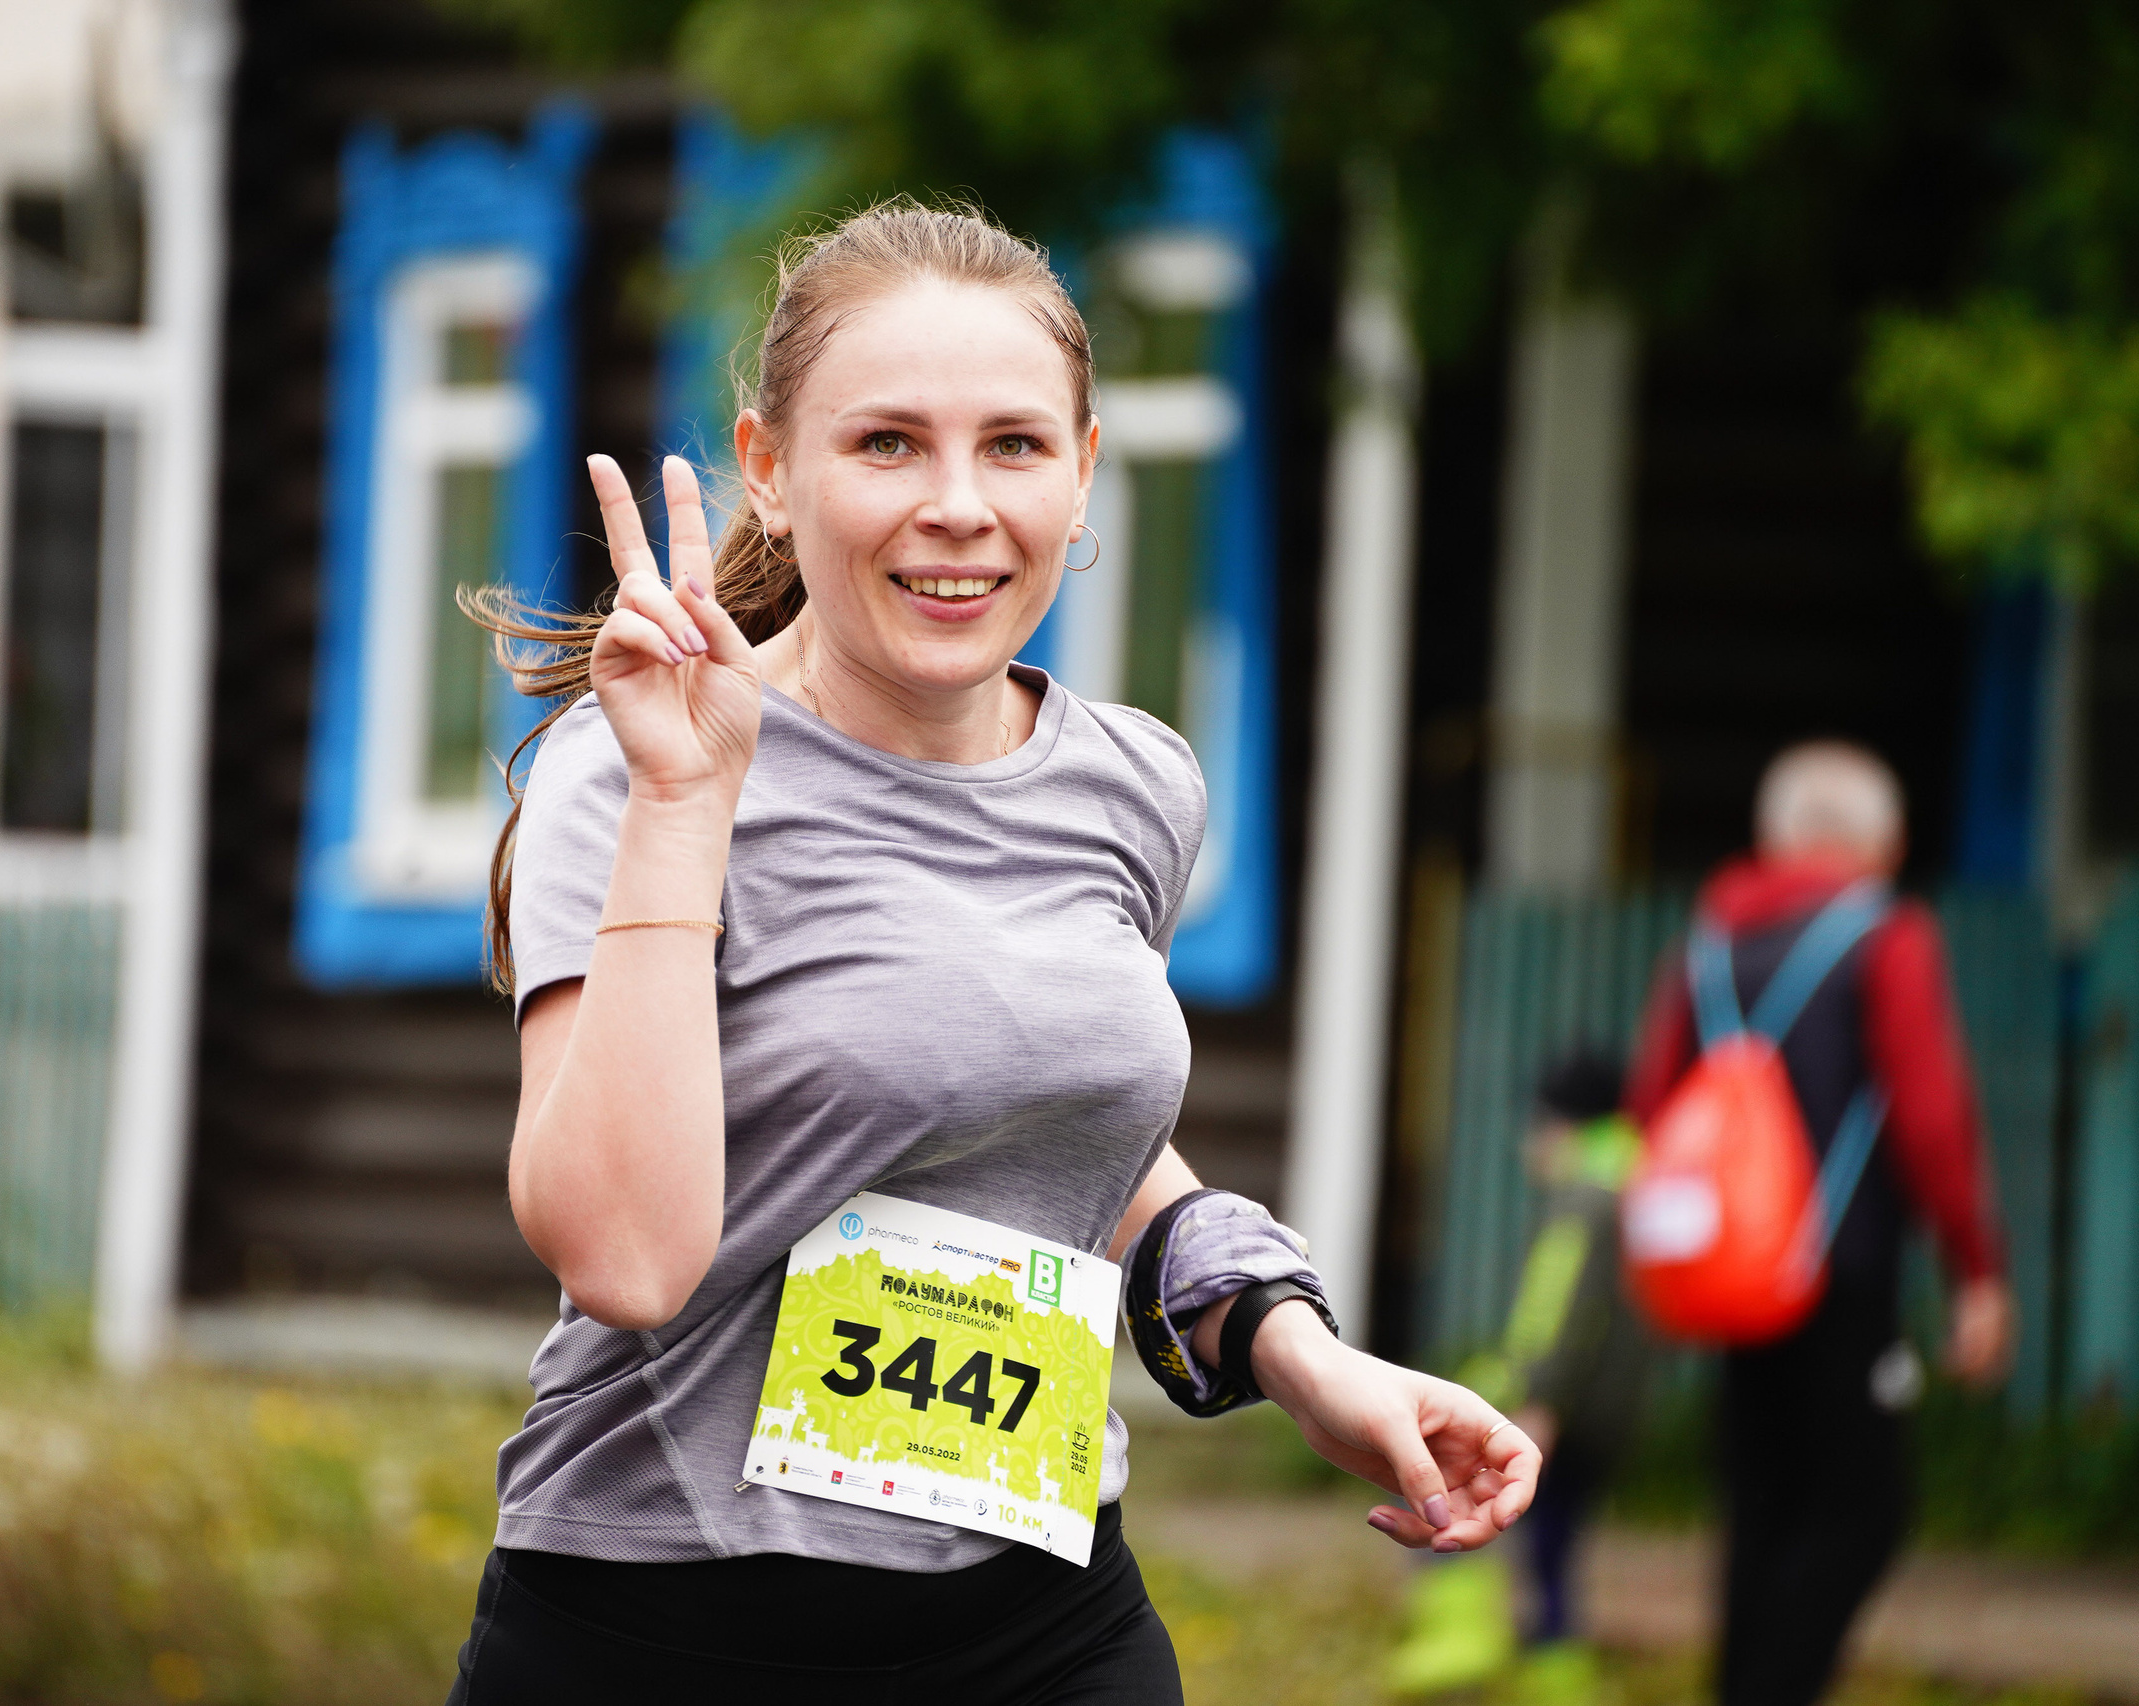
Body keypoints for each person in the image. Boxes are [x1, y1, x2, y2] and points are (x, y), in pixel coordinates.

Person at [438, 202, 1538, 1702]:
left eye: (1015, 446)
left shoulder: (1138, 782)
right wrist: (690, 803)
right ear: (769, 469)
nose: (959, 503)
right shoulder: (640, 763)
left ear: (1084, 474)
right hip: (672, 1618)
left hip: (1044, 1607)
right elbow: (626, 1258)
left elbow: (1060, 1133)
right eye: (886, 442)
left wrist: (1301, 1354)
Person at [1624, 742, 2013, 1706]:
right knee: (1865, 1510)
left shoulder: (1712, 940)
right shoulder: (1889, 935)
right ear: (1882, 841)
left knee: (1763, 1506)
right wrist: (1977, 1269)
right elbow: (1928, 1115)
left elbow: (1652, 1108)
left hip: (1736, 1275)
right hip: (1842, 1271)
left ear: (1776, 837)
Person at [1388, 1049, 1652, 1701]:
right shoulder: (1634, 1189)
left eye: (1536, 1125)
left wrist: (1535, 1398)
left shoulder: (1583, 1201)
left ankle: (1461, 1644)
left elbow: (1554, 1309)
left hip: (1557, 1407)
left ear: (1561, 1126)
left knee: (1446, 1490)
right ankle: (1555, 1672)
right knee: (1554, 1542)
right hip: (1611, 1411)